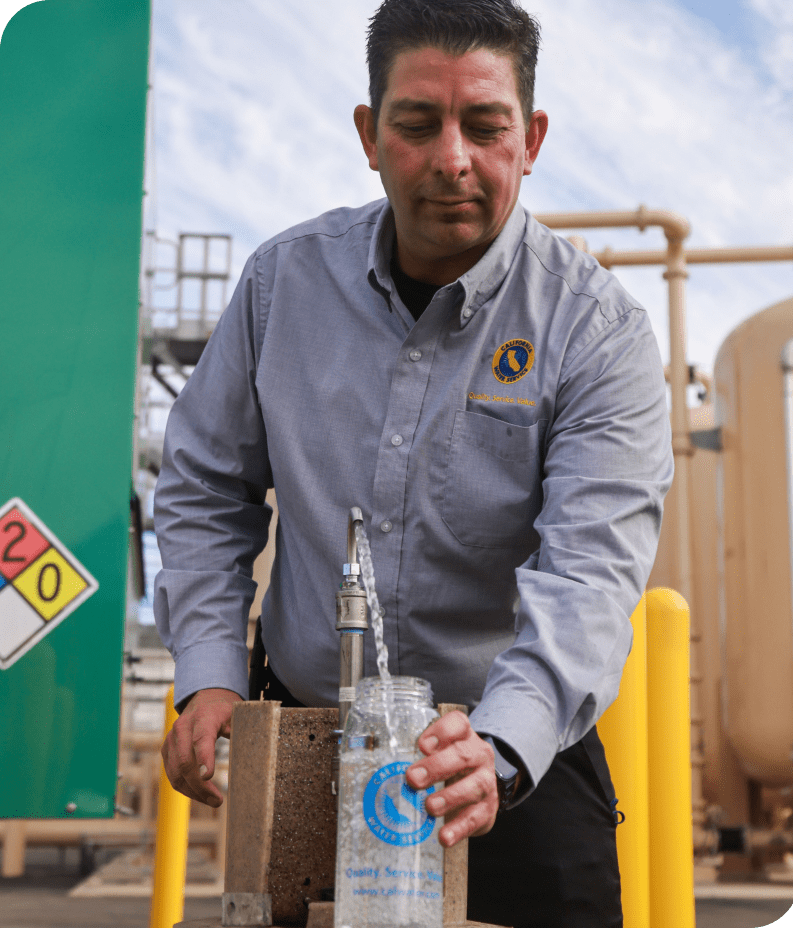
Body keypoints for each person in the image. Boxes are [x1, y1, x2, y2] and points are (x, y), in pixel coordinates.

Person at [154, 1, 673, 925]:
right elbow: (203, 484)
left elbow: (589, 574)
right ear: (369, 134)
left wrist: (500, 747)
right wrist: (208, 668)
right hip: (304, 738)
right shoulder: (281, 287)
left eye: (485, 126)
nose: (452, 159)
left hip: (507, 754)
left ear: (531, 139)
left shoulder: (598, 332)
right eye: (418, 123)